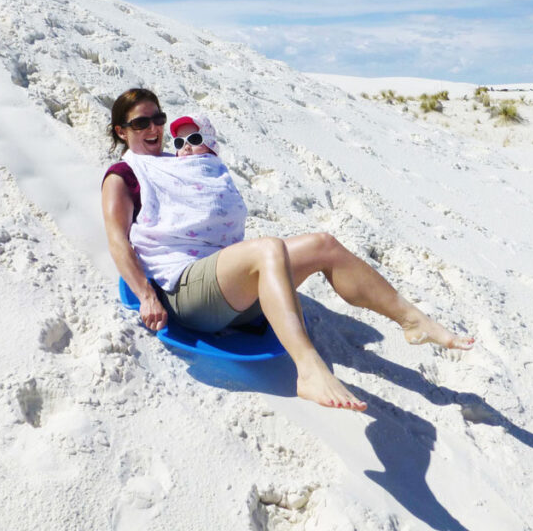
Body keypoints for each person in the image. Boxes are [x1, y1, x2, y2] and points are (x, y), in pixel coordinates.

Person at [102, 88, 474, 412]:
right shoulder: (124, 175)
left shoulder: (182, 161)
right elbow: (118, 240)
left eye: (158, 119)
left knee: (323, 245)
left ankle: (413, 322)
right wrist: (146, 296)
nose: (153, 129)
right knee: (267, 249)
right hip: (186, 291)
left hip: (227, 289)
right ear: (122, 131)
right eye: (140, 124)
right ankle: (309, 368)